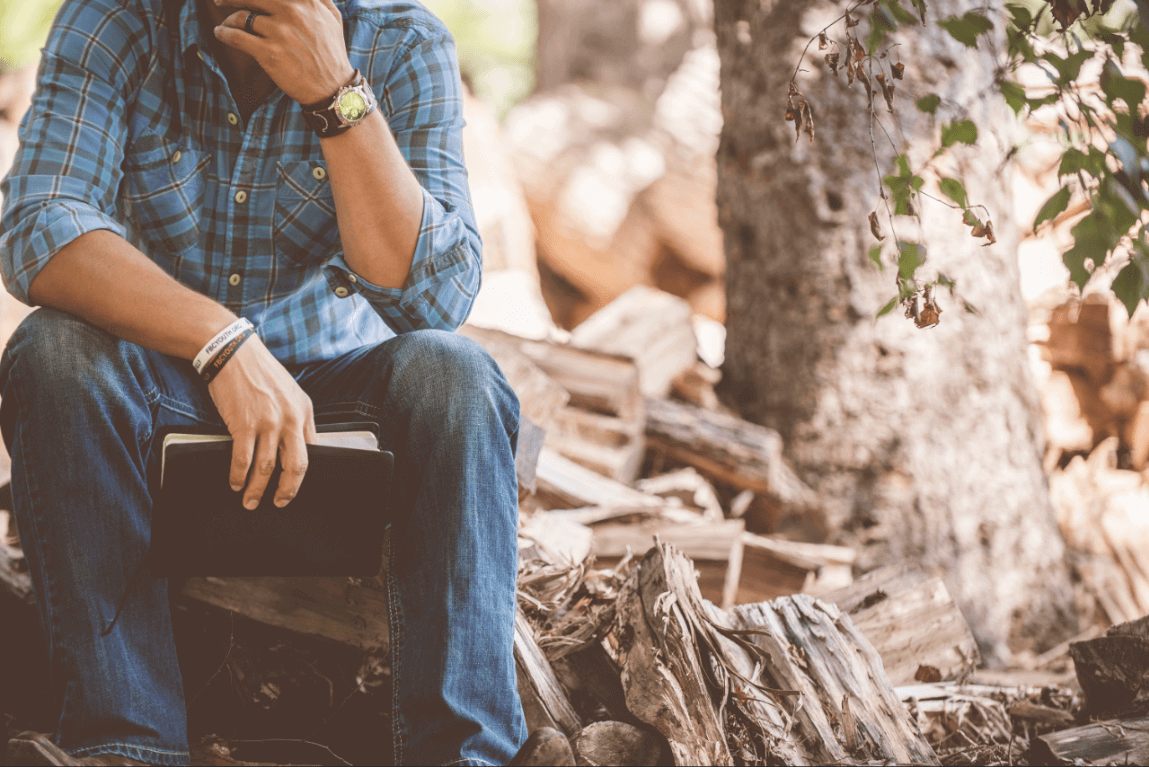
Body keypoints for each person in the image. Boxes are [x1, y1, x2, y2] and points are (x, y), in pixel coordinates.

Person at [0, 0, 550, 764]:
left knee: (456, 377)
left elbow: (436, 297)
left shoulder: (402, 40)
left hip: (339, 409)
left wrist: (337, 95)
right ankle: (127, 745)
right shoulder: (115, 22)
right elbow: (38, 226)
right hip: (161, 394)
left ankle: (464, 753)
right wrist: (220, 343)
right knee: (51, 349)